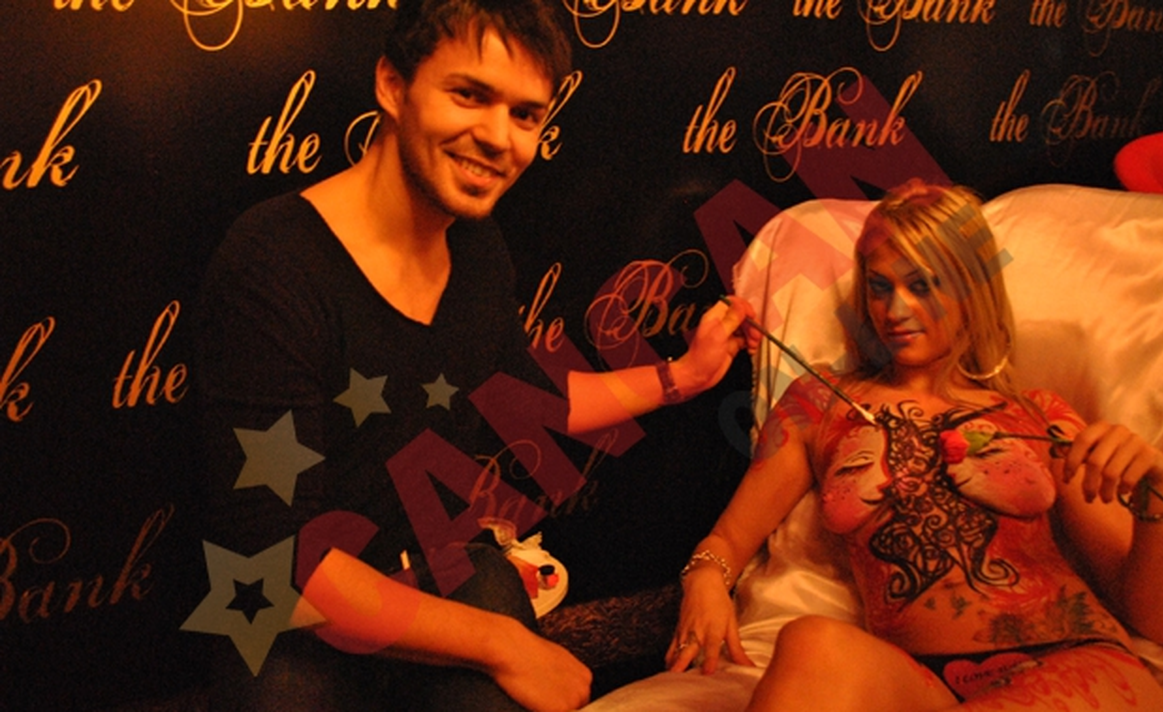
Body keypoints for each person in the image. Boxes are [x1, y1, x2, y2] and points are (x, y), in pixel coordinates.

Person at [193, 1, 754, 710]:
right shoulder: (273, 264)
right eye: (469, 95)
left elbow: (525, 398)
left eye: (525, 115)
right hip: (292, 617)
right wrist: (505, 645)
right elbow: (281, 566)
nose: (497, 137)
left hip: (429, 574)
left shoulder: (477, 248)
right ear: (393, 85)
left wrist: (686, 376)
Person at [666, 180, 1163, 711]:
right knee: (811, 643)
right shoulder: (818, 402)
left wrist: (1158, 497)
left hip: (1072, 660)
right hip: (923, 682)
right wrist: (705, 577)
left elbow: (1158, 621)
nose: (895, 309)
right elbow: (727, 539)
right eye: (880, 286)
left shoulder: (1039, 417)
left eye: (922, 284)